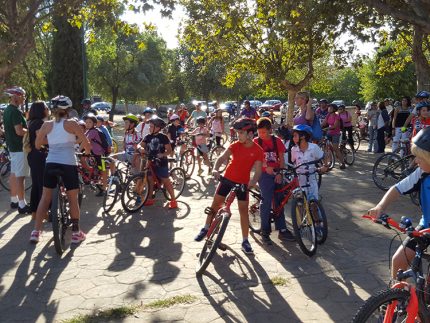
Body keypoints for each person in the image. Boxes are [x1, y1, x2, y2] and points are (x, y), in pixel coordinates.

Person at [194, 118, 264, 254]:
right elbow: (221, 159)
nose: (238, 136)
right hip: (227, 179)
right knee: (216, 204)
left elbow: (258, 171)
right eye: (237, 133)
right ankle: (206, 227)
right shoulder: (235, 145)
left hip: (243, 184)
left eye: (241, 133)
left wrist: (252, 183)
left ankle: (245, 241)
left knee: (243, 211)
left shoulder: (258, 150)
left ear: (250, 134)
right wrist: (215, 169)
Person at [367, 127, 430, 279]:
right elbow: (397, 188)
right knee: (398, 261)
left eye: (420, 157)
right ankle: (396, 297)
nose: (415, 161)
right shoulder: (421, 173)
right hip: (426, 226)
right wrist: (380, 207)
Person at [30, 95, 91, 243]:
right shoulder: (72, 123)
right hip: (69, 163)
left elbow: (37, 145)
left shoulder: (46, 125)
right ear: (68, 110)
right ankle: (76, 233)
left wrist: (51, 142)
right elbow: (86, 143)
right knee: (72, 198)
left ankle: (36, 232)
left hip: (51, 163)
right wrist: (86, 152)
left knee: (45, 198)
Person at [253, 117, 294, 245]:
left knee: (279, 201)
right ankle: (265, 231)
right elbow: (255, 160)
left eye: (264, 132)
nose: (261, 135)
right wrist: (266, 167)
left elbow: (281, 158)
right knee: (266, 201)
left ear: (270, 130)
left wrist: (280, 173)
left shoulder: (277, 142)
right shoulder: (256, 141)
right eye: (259, 132)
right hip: (263, 174)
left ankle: (282, 229)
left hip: (277, 173)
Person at [139, 116, 178, 209]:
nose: (149, 128)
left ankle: (173, 200)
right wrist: (140, 148)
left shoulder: (163, 137)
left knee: (166, 180)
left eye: (151, 126)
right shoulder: (147, 137)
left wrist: (162, 154)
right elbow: (140, 145)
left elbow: (169, 150)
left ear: (158, 128)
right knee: (149, 181)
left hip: (161, 162)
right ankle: (149, 199)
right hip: (150, 161)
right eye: (150, 126)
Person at [3, 86, 31, 213]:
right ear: (15, 97)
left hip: (13, 147)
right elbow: (19, 131)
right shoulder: (14, 111)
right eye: (22, 96)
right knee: (20, 177)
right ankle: (22, 204)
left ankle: (14, 201)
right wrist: (30, 131)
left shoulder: (8, 110)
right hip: (20, 148)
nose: (24, 98)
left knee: (14, 175)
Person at [27, 101, 49, 219]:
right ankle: (43, 213)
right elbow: (41, 140)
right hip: (39, 155)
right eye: (46, 107)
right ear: (42, 110)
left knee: (36, 184)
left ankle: (35, 212)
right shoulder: (39, 123)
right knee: (42, 184)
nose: (48, 109)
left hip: (33, 156)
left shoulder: (32, 122)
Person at [83, 113, 109, 196]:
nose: (87, 124)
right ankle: (99, 185)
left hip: (100, 155)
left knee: (103, 170)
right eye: (86, 122)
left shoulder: (93, 131)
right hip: (94, 154)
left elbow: (85, 141)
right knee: (98, 170)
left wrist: (77, 149)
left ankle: (105, 189)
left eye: (89, 122)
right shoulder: (88, 131)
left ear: (94, 124)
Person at [322, 103, 345, 169]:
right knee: (327, 147)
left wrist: (326, 128)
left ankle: (342, 162)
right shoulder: (328, 115)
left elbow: (335, 126)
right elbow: (323, 123)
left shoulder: (337, 116)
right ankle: (330, 161)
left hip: (336, 133)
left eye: (330, 108)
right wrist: (318, 127)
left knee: (335, 148)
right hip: (329, 133)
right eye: (328, 107)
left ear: (334, 109)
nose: (329, 108)